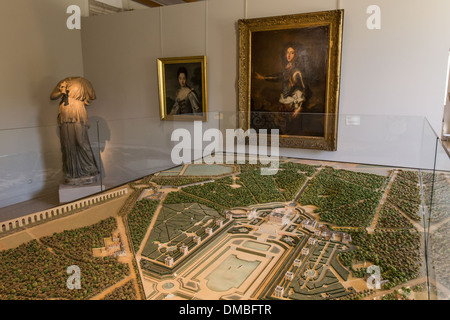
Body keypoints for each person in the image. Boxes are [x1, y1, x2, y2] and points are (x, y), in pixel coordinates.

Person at [50, 77, 99, 185]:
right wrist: (60, 91)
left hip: (78, 110)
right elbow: (52, 96)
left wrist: (84, 91)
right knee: (68, 144)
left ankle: (89, 169)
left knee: (81, 142)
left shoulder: (85, 81)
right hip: (65, 111)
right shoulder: (63, 82)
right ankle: (72, 172)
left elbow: (93, 96)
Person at [255, 43, 308, 118]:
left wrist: (299, 108)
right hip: (285, 101)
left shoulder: (297, 71)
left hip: (294, 104)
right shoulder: (287, 68)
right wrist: (264, 77)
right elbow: (279, 76)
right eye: (287, 53)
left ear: (296, 55)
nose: (289, 55)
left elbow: (302, 89)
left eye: (292, 53)